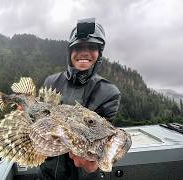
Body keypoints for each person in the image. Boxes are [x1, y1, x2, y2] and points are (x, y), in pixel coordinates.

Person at [39, 18, 121, 180]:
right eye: (78, 47)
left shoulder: (109, 92)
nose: (84, 52)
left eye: (91, 47)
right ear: (70, 52)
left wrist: (95, 162)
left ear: (99, 54)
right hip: (47, 172)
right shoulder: (50, 82)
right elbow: (39, 120)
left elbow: (104, 141)